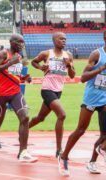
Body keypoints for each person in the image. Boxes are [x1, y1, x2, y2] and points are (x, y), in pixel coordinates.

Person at [58, 30, 106, 176]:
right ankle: (64, 156)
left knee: (104, 135)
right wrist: (101, 69)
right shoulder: (97, 54)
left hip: (105, 99)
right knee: (80, 130)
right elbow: (83, 77)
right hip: (91, 98)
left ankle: (93, 161)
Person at [0, 34, 37, 162]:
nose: (21, 44)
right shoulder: (4, 53)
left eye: (22, 42)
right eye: (19, 42)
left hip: (15, 92)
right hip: (2, 92)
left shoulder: (19, 57)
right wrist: (9, 63)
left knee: (25, 117)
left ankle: (23, 152)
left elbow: (14, 75)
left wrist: (25, 78)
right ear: (11, 42)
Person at [29, 32, 75, 157]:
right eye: (61, 39)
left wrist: (69, 65)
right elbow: (33, 62)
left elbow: (72, 75)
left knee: (40, 118)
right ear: (54, 40)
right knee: (62, 115)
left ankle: (23, 129)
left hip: (58, 91)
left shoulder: (68, 55)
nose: (64, 41)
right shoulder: (47, 53)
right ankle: (59, 149)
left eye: (65, 39)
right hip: (47, 89)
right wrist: (41, 67)